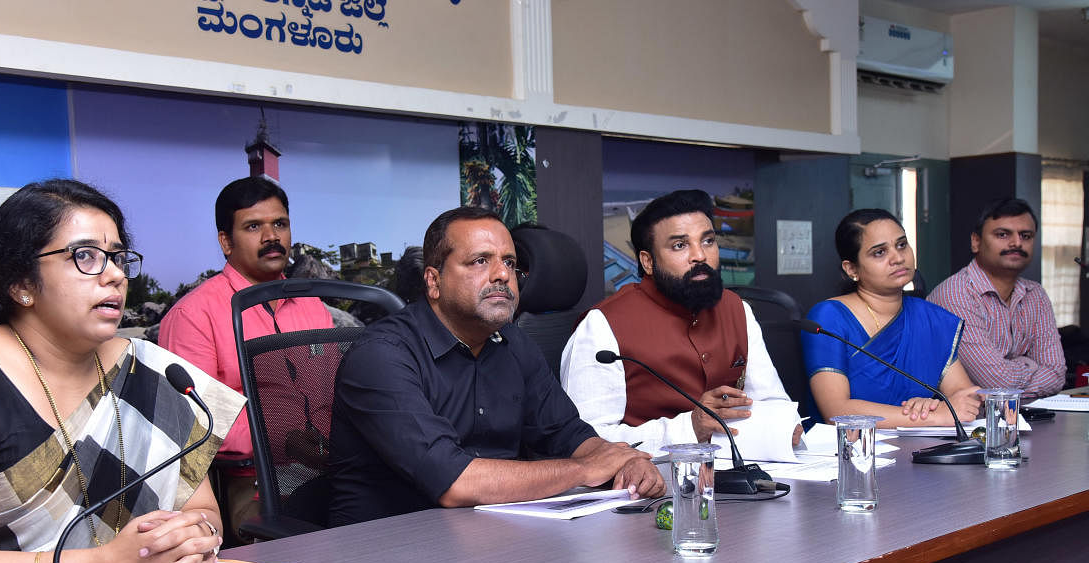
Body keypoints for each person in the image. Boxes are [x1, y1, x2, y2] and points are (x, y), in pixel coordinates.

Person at [0, 179, 245, 563]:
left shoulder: (151, 370)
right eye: (86, 256)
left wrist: (192, 543)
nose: (114, 274)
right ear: (21, 282)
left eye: (117, 257)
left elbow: (203, 511)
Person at [328, 206, 663, 526]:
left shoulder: (513, 343)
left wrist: (624, 461)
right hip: (386, 549)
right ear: (433, 281)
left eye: (509, 261)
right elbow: (453, 481)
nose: (503, 274)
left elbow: (566, 432)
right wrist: (585, 469)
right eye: (479, 261)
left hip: (493, 532)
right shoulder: (381, 355)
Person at [561, 189, 801, 452]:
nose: (699, 255)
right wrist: (691, 428)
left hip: (737, 473)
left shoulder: (737, 309)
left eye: (708, 241)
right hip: (649, 484)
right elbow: (585, 440)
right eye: (680, 245)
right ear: (648, 261)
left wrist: (783, 427)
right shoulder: (602, 325)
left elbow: (770, 400)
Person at [159, 177, 332, 533]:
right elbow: (195, 425)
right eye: (254, 226)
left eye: (280, 224)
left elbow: (334, 392)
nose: (272, 237)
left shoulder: (313, 306)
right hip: (251, 481)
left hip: (331, 467)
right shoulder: (194, 315)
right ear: (226, 241)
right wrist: (285, 440)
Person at [802, 208, 982, 427]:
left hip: (920, 450)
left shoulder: (929, 317)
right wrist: (936, 415)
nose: (898, 258)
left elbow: (964, 396)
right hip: (852, 454)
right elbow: (837, 411)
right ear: (852, 269)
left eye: (902, 244)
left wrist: (929, 406)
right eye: (879, 252)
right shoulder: (829, 318)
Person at [927, 197, 1065, 399]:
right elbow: (996, 382)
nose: (1017, 242)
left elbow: (1056, 374)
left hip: (1019, 417)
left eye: (1026, 236)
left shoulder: (1036, 295)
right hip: (962, 423)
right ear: (976, 242)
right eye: (1002, 234)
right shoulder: (956, 295)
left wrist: (1008, 380)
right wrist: (1030, 364)